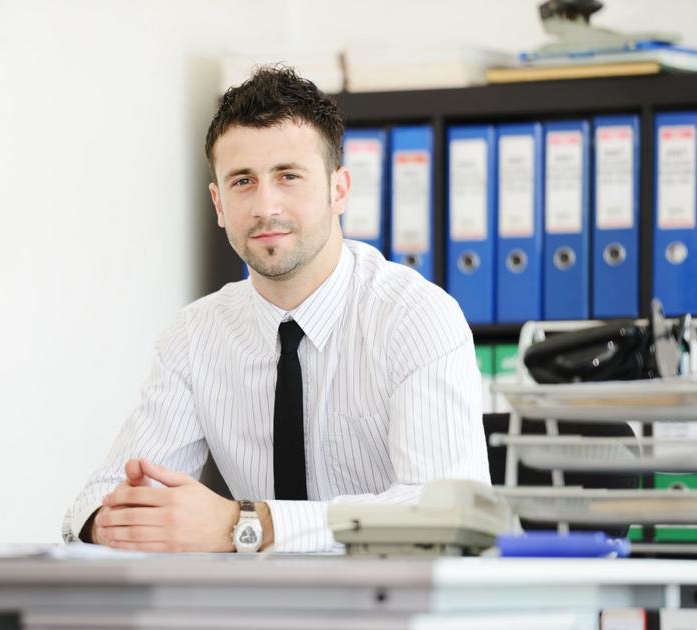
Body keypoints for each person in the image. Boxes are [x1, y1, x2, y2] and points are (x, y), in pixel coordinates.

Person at [61, 65, 490, 553]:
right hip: (259, 600)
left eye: (288, 176)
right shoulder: (194, 338)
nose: (266, 206)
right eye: (243, 181)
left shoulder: (415, 318)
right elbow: (94, 503)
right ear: (218, 204)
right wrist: (114, 523)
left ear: (339, 190)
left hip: (401, 596)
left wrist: (246, 524)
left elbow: (444, 514)